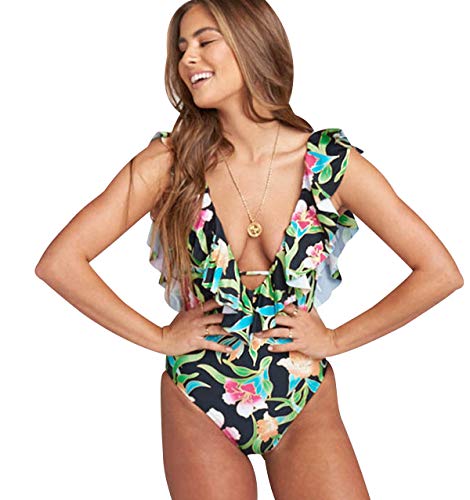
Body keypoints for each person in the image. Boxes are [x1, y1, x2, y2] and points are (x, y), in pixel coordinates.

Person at [35, 1, 464, 498]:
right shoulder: (170, 163)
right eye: (181, 48)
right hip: (199, 393)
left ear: (250, 43)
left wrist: (336, 340)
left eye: (205, 41)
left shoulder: (329, 164)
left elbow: (439, 272)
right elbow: (60, 262)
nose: (187, 59)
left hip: (301, 394)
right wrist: (159, 337)